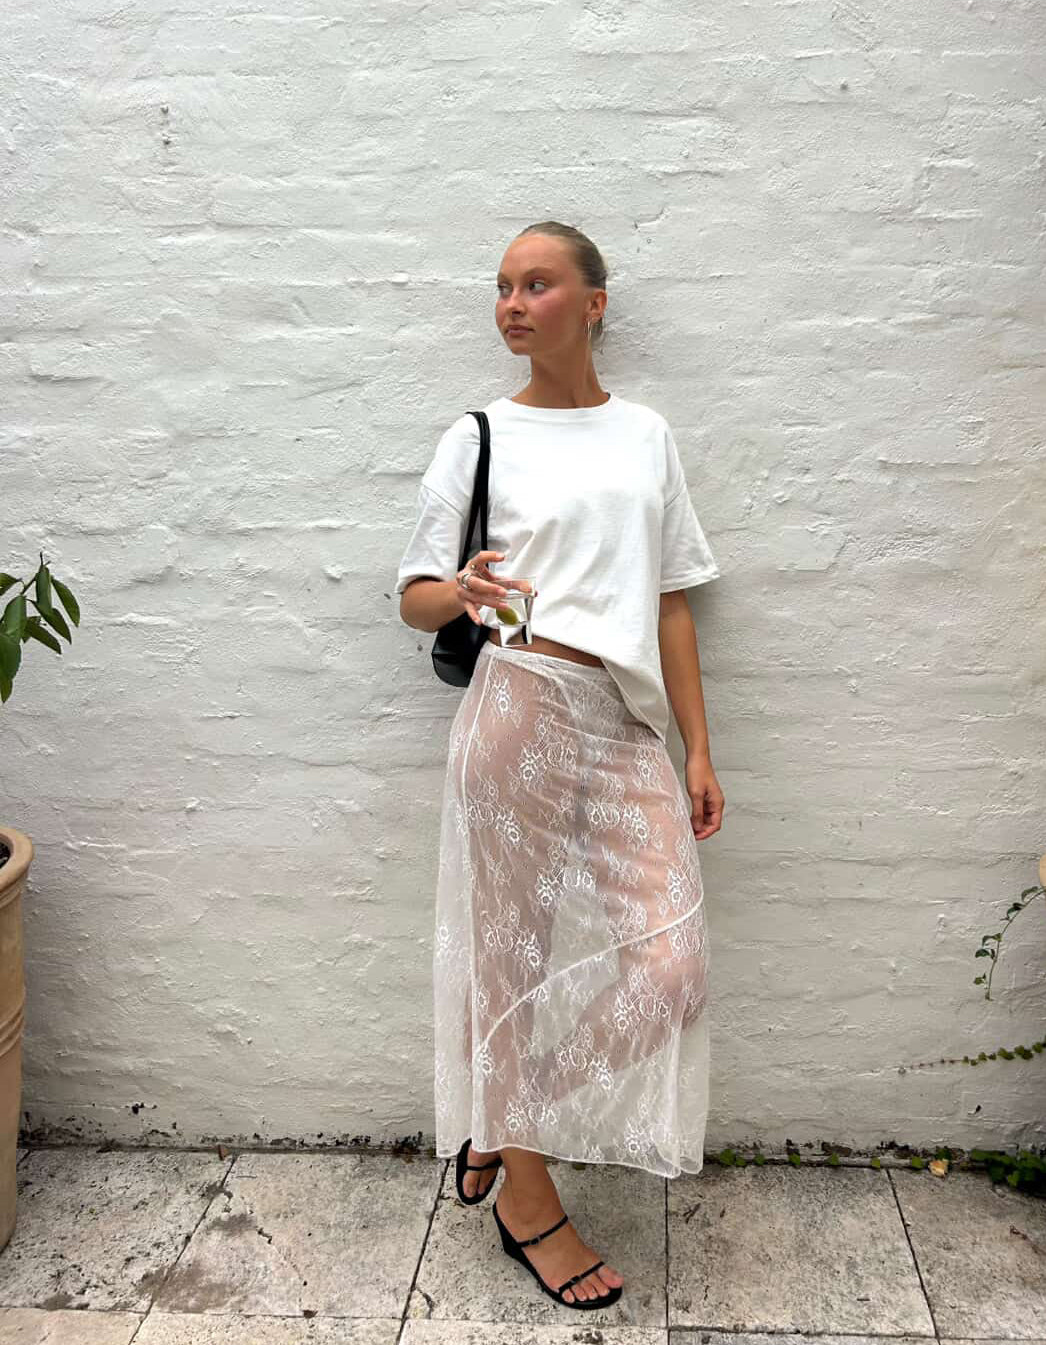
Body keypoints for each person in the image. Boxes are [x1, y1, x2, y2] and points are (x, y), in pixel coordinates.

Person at [395, 221, 724, 1312]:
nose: (511, 302)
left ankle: (500, 1116)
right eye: (501, 286)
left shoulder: (646, 435)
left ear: (594, 302)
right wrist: (462, 590)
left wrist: (697, 745)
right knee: (511, 962)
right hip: (520, 699)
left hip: (624, 719)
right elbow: (415, 596)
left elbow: (671, 600)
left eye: (536, 283)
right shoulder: (479, 435)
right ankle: (529, 1202)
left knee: (670, 966)